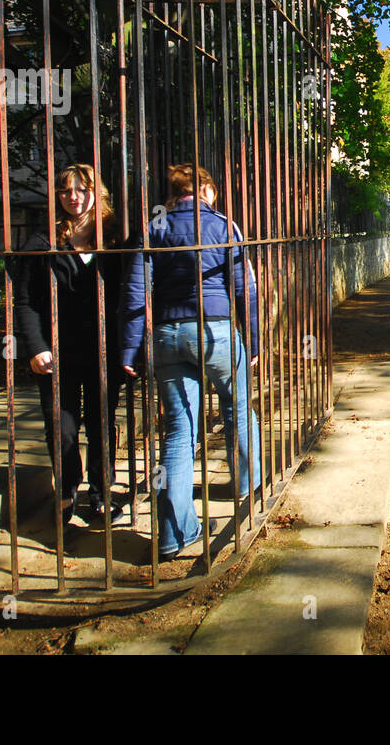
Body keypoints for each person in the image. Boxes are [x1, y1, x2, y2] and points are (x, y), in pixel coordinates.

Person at [119, 164, 261, 561]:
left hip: (167, 335)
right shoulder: (223, 225)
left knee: (179, 433)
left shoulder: (155, 227)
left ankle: (174, 533)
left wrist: (130, 350)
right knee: (237, 410)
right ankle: (249, 485)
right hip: (215, 331)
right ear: (206, 191)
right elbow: (244, 289)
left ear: (174, 193)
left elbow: (134, 293)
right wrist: (251, 342)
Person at [16, 163, 125, 525]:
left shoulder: (114, 238)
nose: (73, 197)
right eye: (65, 191)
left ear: (97, 192)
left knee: (101, 422)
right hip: (55, 351)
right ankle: (66, 490)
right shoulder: (42, 241)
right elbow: (27, 300)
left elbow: (133, 292)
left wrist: (130, 346)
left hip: (103, 349)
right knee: (60, 426)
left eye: (81, 189)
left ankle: (101, 492)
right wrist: (34, 346)